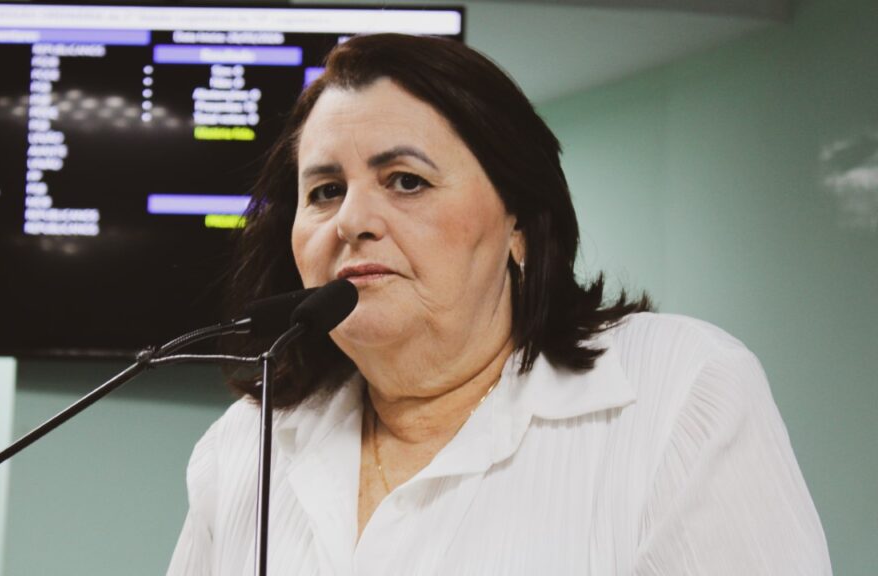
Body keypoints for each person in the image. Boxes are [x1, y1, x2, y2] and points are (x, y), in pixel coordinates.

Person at [167, 34, 830, 575]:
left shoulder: (681, 391)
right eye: (325, 191)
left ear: (519, 225)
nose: (352, 220)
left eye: (406, 181)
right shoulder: (246, 443)